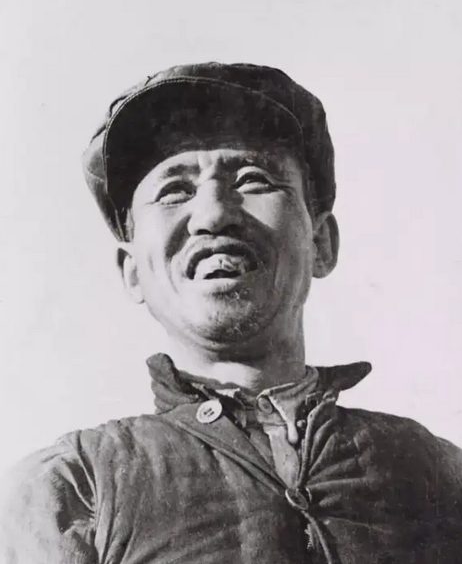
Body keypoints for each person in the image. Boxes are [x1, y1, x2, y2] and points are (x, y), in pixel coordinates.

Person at [1, 62, 461, 563]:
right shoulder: (73, 487)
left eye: (254, 179)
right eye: (173, 191)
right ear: (132, 272)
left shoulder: (439, 473)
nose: (214, 214)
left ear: (321, 243)